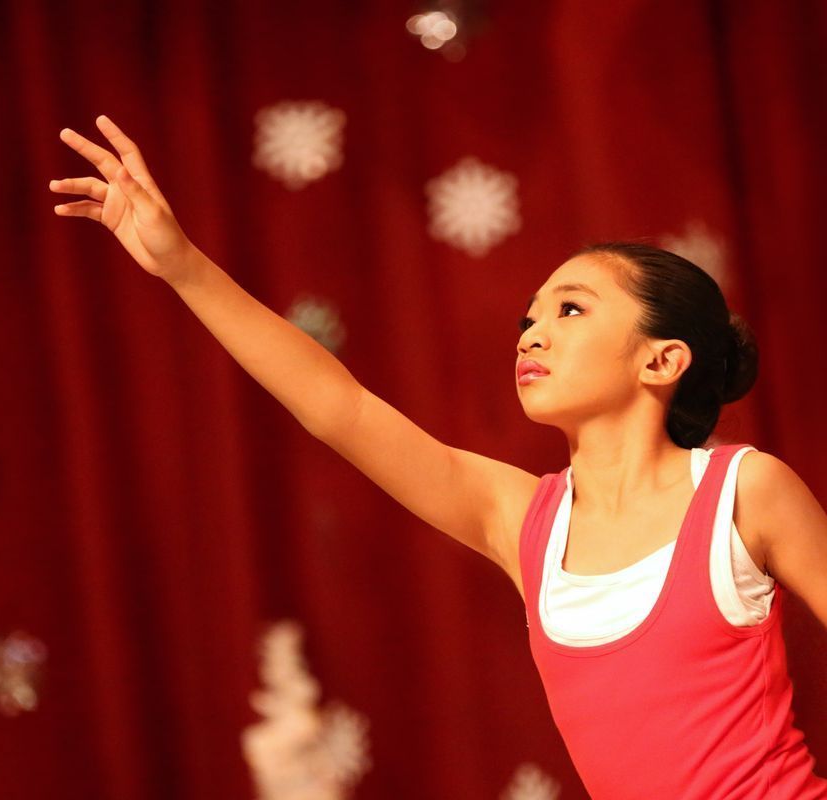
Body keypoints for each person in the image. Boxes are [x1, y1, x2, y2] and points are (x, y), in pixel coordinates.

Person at [49, 115, 827, 798]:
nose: (532, 333)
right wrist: (183, 264)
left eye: (570, 309)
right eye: (529, 317)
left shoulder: (744, 490)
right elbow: (339, 408)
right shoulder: (520, 518)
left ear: (662, 361)